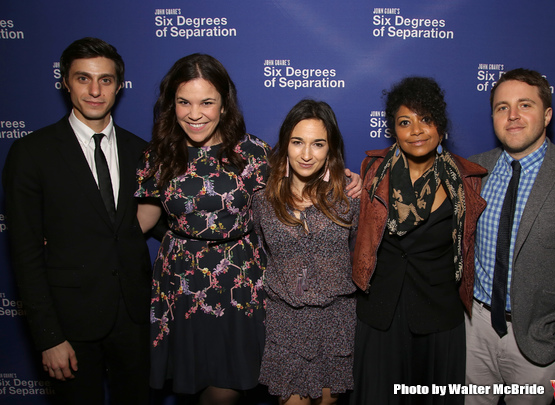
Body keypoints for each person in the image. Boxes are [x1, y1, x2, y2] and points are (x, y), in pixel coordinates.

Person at [135, 54, 362, 404]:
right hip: (181, 280)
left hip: (239, 280)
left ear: (224, 105)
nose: (195, 114)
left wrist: (347, 180)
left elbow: (298, 183)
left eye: (207, 102)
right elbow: (142, 219)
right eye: (184, 102)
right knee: (193, 379)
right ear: (172, 104)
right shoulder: (158, 156)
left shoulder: (253, 153)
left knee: (228, 386)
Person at [3, 37, 151, 405]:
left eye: (105, 80)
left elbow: (154, 221)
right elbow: (24, 255)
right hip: (70, 326)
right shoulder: (32, 153)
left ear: (119, 85)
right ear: (65, 82)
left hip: (133, 321)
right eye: (83, 78)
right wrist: (48, 337)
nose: (95, 90)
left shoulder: (142, 152)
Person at [465, 68, 555, 405]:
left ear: (547, 114)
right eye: (502, 107)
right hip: (474, 330)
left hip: (538, 342)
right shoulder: (474, 169)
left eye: (525, 105)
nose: (512, 116)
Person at [351, 77, 487, 405]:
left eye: (425, 119)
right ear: (393, 130)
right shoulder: (372, 171)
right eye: (404, 122)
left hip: (439, 316)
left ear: (441, 127)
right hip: (380, 313)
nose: (416, 130)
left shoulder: (466, 180)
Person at [253, 99, 360, 405]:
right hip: (285, 324)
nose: (306, 154)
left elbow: (363, 252)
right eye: (297, 142)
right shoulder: (262, 202)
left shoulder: (350, 200)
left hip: (335, 322)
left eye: (318, 144)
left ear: (331, 150)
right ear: (285, 144)